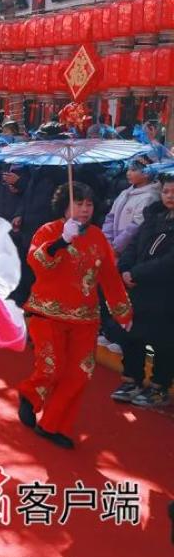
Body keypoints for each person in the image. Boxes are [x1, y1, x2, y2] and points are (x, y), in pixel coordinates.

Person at [17, 182, 133, 449]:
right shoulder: (48, 231)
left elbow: (109, 276)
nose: (84, 209)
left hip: (85, 318)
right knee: (52, 367)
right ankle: (30, 394)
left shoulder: (97, 236)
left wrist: (122, 311)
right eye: (78, 203)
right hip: (47, 314)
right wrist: (61, 241)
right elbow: (37, 263)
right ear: (64, 206)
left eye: (88, 204)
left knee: (80, 374)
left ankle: (53, 424)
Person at [112, 173, 174, 408]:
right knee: (132, 335)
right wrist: (125, 269)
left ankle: (159, 387)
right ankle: (132, 380)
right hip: (138, 289)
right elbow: (134, 245)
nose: (169, 196)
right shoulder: (153, 216)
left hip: (165, 292)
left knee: (164, 342)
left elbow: (168, 262)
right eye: (166, 191)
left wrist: (137, 273)